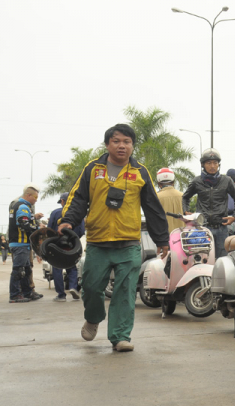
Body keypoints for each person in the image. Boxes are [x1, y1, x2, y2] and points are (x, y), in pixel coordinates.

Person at [58, 123, 170, 352]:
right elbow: (78, 198)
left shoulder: (140, 172)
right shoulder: (93, 169)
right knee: (90, 288)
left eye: (127, 142)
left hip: (128, 243)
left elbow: (153, 207)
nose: (122, 146)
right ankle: (93, 317)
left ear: (132, 146)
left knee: (125, 291)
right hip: (98, 242)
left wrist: (162, 240)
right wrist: (68, 220)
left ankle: (120, 336)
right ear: (108, 144)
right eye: (117, 141)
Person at [181, 148, 235, 258]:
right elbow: (185, 197)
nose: (212, 166)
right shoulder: (197, 181)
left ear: (219, 164)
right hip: (202, 229)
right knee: (203, 259)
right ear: (203, 165)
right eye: (209, 163)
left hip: (221, 228)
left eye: (215, 163)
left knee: (222, 261)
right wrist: (186, 212)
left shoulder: (226, 181)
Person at [7, 184, 44, 303]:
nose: (36, 200)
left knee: (26, 270)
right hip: (20, 243)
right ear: (28, 195)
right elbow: (24, 225)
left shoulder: (17, 205)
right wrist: (37, 230)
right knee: (18, 270)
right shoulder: (23, 207)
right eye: (35, 197)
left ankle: (28, 292)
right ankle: (14, 295)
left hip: (21, 244)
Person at [48, 192, 85, 302]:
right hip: (72, 246)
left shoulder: (55, 213)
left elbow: (49, 230)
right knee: (72, 267)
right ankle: (73, 287)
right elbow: (82, 231)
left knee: (57, 268)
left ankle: (61, 295)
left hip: (57, 246)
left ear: (63, 201)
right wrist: (73, 240)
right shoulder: (79, 214)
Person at [155, 167, 184, 234]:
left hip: (164, 239)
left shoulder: (156, 197)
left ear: (159, 184)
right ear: (173, 182)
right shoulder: (183, 196)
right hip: (182, 237)